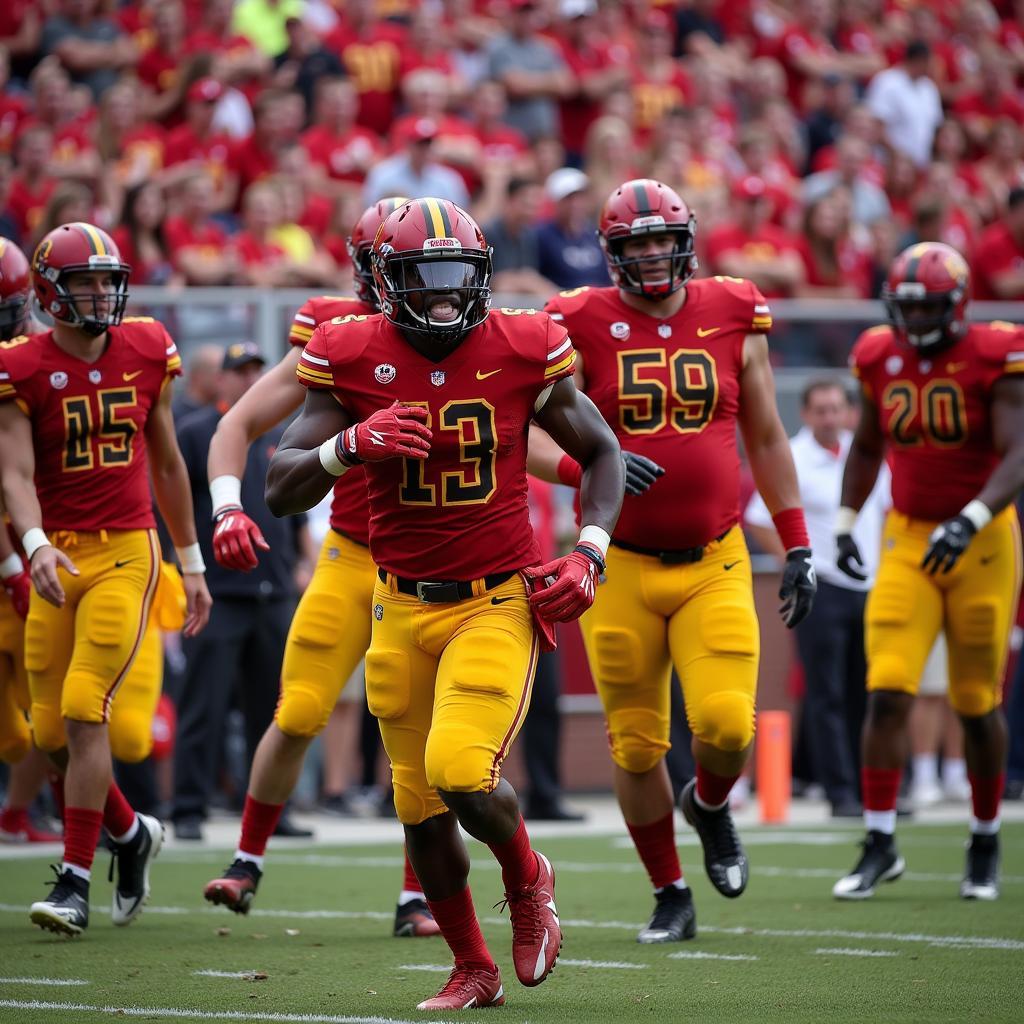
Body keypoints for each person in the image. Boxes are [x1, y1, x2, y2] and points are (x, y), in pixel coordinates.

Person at [266, 197, 624, 1010]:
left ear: (483, 277)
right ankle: (473, 965)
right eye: (420, 279)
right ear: (385, 283)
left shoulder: (525, 343)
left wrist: (591, 550)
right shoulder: (350, 350)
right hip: (396, 604)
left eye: (454, 278)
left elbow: (601, 451)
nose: (440, 296)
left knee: (462, 773)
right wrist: (347, 445)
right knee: (418, 809)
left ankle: (529, 878)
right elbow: (281, 483)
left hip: (494, 600)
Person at [534, 179, 816, 944]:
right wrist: (589, 466)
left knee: (728, 726)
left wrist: (797, 542)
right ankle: (669, 890)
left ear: (686, 240)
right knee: (636, 743)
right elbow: (525, 428)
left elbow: (765, 436)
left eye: (663, 240)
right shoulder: (577, 319)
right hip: (616, 559)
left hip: (714, 555)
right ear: (612, 253)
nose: (653, 255)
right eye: (637, 244)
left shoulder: (732, 307)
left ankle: (712, 805)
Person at [201, 198, 441, 939]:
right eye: (407, 267)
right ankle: (247, 858)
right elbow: (238, 421)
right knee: (300, 709)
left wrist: (579, 464)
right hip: (352, 553)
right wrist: (225, 507)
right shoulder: (333, 331)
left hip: (428, 565)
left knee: (418, 731)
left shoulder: (465, 333)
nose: (431, 285)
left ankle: (417, 894)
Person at [0, 221, 212, 935]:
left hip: (128, 550)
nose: (99, 295)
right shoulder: (21, 364)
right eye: (83, 282)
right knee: (47, 728)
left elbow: (169, 465)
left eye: (106, 281)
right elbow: (15, 475)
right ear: (49, 293)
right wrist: (33, 545)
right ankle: (130, 831)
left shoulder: (147, 348)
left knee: (87, 705)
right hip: (56, 553)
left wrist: (192, 562)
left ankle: (74, 878)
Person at [833, 241, 1024, 902]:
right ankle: (881, 840)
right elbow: (865, 445)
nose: (914, 322)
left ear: (958, 305)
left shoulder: (994, 353)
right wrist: (844, 521)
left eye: (927, 308)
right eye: (906, 308)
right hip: (908, 540)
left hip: (982, 541)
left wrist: (970, 518)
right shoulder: (878, 355)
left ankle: (984, 836)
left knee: (976, 702)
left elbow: (1018, 449)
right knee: (887, 689)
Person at [170, 342, 310, 843]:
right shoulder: (195, 432)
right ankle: (188, 807)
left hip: (273, 592)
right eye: (240, 370)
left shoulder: (278, 433)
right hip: (219, 591)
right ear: (221, 380)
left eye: (257, 368)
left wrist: (299, 561)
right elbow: (173, 504)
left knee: (273, 711)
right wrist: (184, 572)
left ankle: (273, 810)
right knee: (202, 705)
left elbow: (290, 511)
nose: (250, 376)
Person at [745, 379, 888, 817]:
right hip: (822, 584)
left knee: (869, 692)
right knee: (827, 694)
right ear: (805, 415)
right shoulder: (794, 457)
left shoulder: (865, 455)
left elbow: (883, 515)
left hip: (869, 586)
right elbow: (758, 518)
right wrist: (797, 563)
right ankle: (840, 791)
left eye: (836, 408)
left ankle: (872, 790)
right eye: (820, 410)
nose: (829, 417)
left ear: (850, 413)